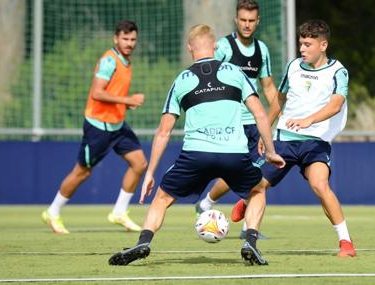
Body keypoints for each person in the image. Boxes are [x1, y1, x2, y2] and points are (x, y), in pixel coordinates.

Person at [108, 24, 285, 266]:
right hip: (233, 154)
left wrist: (149, 173)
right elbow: (261, 115)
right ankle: (250, 242)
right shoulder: (234, 72)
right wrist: (271, 150)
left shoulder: (182, 80)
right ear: (215, 47)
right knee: (256, 191)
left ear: (189, 47)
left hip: (196, 155)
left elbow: (163, 132)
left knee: (162, 198)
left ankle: (144, 241)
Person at [231, 19, 356, 257]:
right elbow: (279, 99)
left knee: (320, 185)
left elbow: (337, 104)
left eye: (308, 44)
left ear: (323, 45)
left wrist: (310, 120)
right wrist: (265, 127)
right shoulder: (293, 66)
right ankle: (247, 207)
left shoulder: (338, 71)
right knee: (257, 186)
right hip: (284, 139)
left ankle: (346, 243)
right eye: (301, 44)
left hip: (316, 142)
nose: (302, 49)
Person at [41, 20, 147, 234]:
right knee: (82, 173)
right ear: (115, 39)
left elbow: (112, 93)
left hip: (117, 126)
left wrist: (124, 104)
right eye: (125, 39)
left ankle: (119, 212)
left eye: (133, 39)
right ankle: (52, 212)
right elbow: (97, 93)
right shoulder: (109, 61)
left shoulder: (126, 61)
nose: (129, 43)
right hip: (99, 127)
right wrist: (127, 100)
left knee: (139, 163)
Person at [194, 0, 278, 240]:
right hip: (230, 123)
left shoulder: (262, 49)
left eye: (251, 21)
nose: (247, 25)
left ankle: (246, 230)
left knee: (255, 177)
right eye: (243, 20)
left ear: (257, 21)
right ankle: (207, 203)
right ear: (236, 20)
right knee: (239, 174)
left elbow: (268, 86)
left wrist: (276, 108)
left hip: (254, 123)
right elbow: (207, 77)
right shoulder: (223, 47)